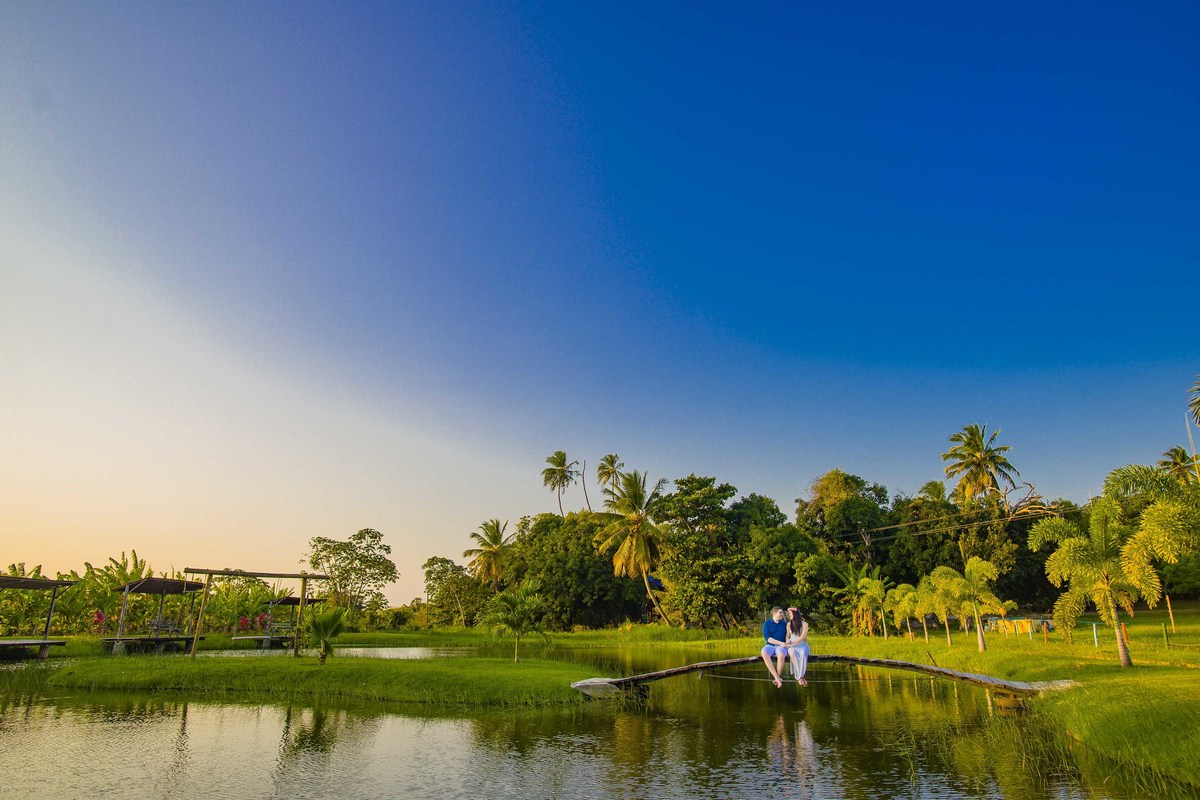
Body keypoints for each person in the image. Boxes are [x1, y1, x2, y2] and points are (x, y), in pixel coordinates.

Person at [760, 606, 789, 688]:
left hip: (781, 646)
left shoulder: (785, 624)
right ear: (774, 613)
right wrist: (780, 643)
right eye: (780, 612)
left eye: (782, 612)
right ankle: (777, 677)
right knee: (764, 653)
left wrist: (787, 641)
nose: (782, 614)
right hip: (770, 645)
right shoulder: (767, 623)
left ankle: (777, 677)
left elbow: (788, 636)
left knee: (781, 655)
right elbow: (768, 638)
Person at [785, 607, 810, 686]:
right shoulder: (789, 624)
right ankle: (800, 677)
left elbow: (803, 637)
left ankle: (800, 676)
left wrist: (793, 644)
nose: (789, 615)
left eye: (790, 613)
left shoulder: (804, 624)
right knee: (791, 651)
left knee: (802, 653)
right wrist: (787, 640)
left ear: (795, 614)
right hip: (792, 644)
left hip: (801, 644)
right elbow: (787, 635)